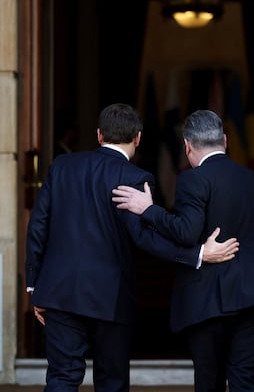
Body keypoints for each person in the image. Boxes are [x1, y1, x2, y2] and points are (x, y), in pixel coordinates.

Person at [25, 103, 239, 392]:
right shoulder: (135, 178)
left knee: (61, 378)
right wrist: (199, 254)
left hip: (59, 291)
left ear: (99, 134)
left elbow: (38, 225)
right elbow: (145, 238)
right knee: (111, 383)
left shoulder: (62, 166)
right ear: (138, 137)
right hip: (109, 297)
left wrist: (33, 285)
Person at [111, 109, 254, 392]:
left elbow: (186, 232)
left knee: (209, 383)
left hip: (209, 302)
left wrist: (148, 209)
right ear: (225, 141)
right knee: (247, 380)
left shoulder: (193, 179)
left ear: (188, 146)